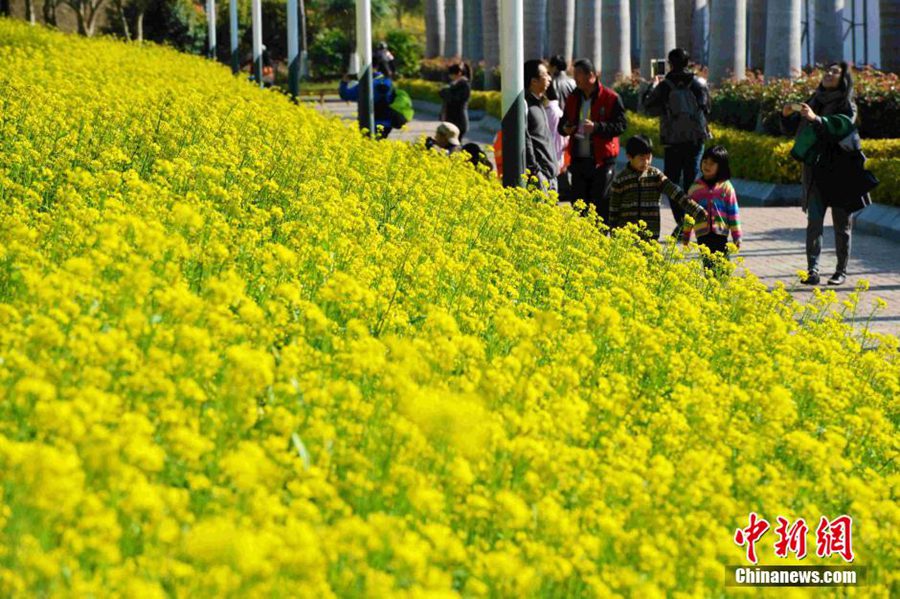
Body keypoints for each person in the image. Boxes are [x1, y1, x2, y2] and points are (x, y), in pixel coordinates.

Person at [782, 62, 871, 287]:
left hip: (841, 169)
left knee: (842, 225)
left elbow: (842, 125)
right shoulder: (814, 100)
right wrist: (786, 115)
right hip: (815, 169)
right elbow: (797, 130)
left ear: (843, 79)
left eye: (835, 72)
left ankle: (841, 271)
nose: (829, 74)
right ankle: (812, 270)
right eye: (828, 71)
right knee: (814, 221)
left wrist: (817, 119)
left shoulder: (847, 103)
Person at [641, 48, 711, 233]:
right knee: (691, 182)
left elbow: (647, 107)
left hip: (672, 141)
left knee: (671, 184)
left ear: (670, 64)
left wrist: (653, 84)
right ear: (688, 63)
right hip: (695, 139)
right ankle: (689, 221)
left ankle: (681, 223)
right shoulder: (699, 84)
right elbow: (707, 109)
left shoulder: (664, 86)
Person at [558, 58, 627, 223]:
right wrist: (565, 129)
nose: (575, 79)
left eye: (578, 75)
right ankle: (584, 239)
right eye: (574, 75)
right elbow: (563, 124)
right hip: (579, 160)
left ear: (592, 76)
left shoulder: (611, 97)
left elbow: (621, 126)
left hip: (602, 161)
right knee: (579, 204)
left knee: (600, 203)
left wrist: (597, 127)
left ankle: (600, 238)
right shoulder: (573, 97)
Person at [609, 135, 707, 240]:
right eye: (642, 158)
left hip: (650, 235)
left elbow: (676, 193)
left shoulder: (655, 176)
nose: (646, 162)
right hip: (626, 236)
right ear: (629, 157)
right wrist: (614, 232)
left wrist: (697, 210)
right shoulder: (621, 180)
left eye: (648, 157)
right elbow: (614, 209)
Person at [682, 146, 742, 270]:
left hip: (721, 234)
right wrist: (686, 234)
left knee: (723, 267)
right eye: (705, 162)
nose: (707, 166)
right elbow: (689, 213)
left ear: (721, 166)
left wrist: (737, 235)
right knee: (709, 266)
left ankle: (722, 285)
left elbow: (733, 212)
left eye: (712, 163)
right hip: (702, 235)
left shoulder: (726, 187)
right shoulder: (695, 188)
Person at [524, 59, 559, 193]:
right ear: (534, 80)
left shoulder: (539, 103)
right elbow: (526, 140)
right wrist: (535, 171)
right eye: (545, 75)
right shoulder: (527, 105)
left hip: (550, 175)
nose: (549, 78)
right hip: (540, 177)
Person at [339, 70, 397, 139]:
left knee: (371, 144)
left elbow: (346, 95)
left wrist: (344, 82)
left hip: (370, 122)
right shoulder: (388, 81)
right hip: (388, 123)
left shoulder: (366, 84)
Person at [440, 63, 472, 142]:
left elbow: (454, 99)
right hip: (451, 120)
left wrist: (445, 92)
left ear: (459, 73)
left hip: (458, 120)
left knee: (454, 144)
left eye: (452, 74)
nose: (450, 77)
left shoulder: (464, 85)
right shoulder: (454, 85)